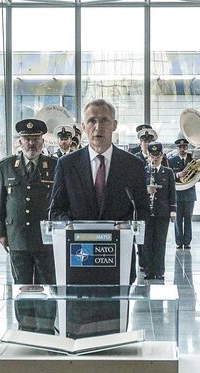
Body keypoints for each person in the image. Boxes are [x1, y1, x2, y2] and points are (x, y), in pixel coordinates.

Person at [50, 99, 149, 283]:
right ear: (83, 126)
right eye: (92, 121)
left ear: (114, 125)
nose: (98, 127)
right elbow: (56, 210)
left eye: (104, 120)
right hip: (79, 256)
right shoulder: (67, 165)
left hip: (118, 256)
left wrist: (127, 226)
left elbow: (142, 210)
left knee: (118, 302)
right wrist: (67, 225)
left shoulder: (133, 165)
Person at [0, 118, 57, 287]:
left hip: (45, 238)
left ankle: (45, 307)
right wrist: (1, 233)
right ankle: (24, 307)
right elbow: (0, 202)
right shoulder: (6, 166)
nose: (31, 144)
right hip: (17, 236)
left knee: (47, 285)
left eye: (36, 139)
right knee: (21, 286)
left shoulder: (54, 165)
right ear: (20, 142)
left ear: (43, 142)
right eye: (27, 139)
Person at [143, 141, 176, 280]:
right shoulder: (144, 171)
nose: (155, 158)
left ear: (162, 156)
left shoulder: (168, 172)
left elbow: (172, 192)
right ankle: (149, 271)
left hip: (162, 212)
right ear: (148, 156)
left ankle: (159, 271)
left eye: (157, 155)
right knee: (147, 242)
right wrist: (147, 190)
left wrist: (173, 211)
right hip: (147, 213)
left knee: (160, 242)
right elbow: (137, 191)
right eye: (152, 155)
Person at [169, 138, 196, 249]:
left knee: (188, 219)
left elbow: (198, 176)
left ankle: (187, 242)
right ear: (177, 148)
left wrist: (191, 174)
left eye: (184, 147)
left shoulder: (193, 159)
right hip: (177, 194)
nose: (182, 149)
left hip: (190, 193)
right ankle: (179, 242)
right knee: (178, 219)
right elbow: (170, 175)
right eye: (180, 147)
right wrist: (178, 175)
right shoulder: (172, 160)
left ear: (187, 147)